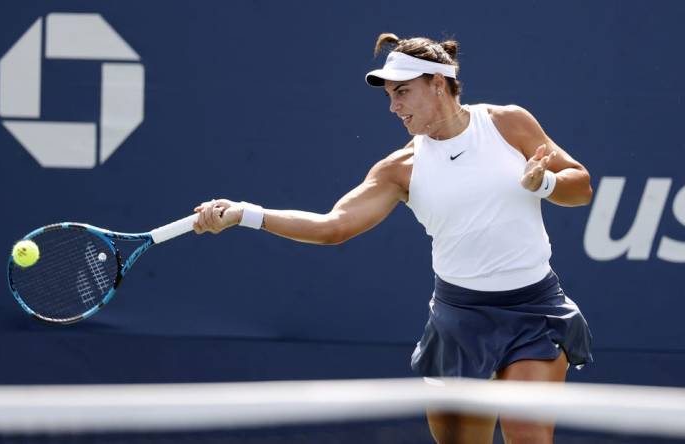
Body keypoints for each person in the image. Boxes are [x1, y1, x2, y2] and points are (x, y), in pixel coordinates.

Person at [193, 33, 593, 444]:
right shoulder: (400, 169)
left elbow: (580, 187)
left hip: (534, 309)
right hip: (461, 320)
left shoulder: (508, 124)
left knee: (527, 435)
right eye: (389, 95)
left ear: (438, 84)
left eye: (402, 92)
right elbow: (333, 227)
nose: (393, 106)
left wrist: (545, 183)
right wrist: (246, 213)